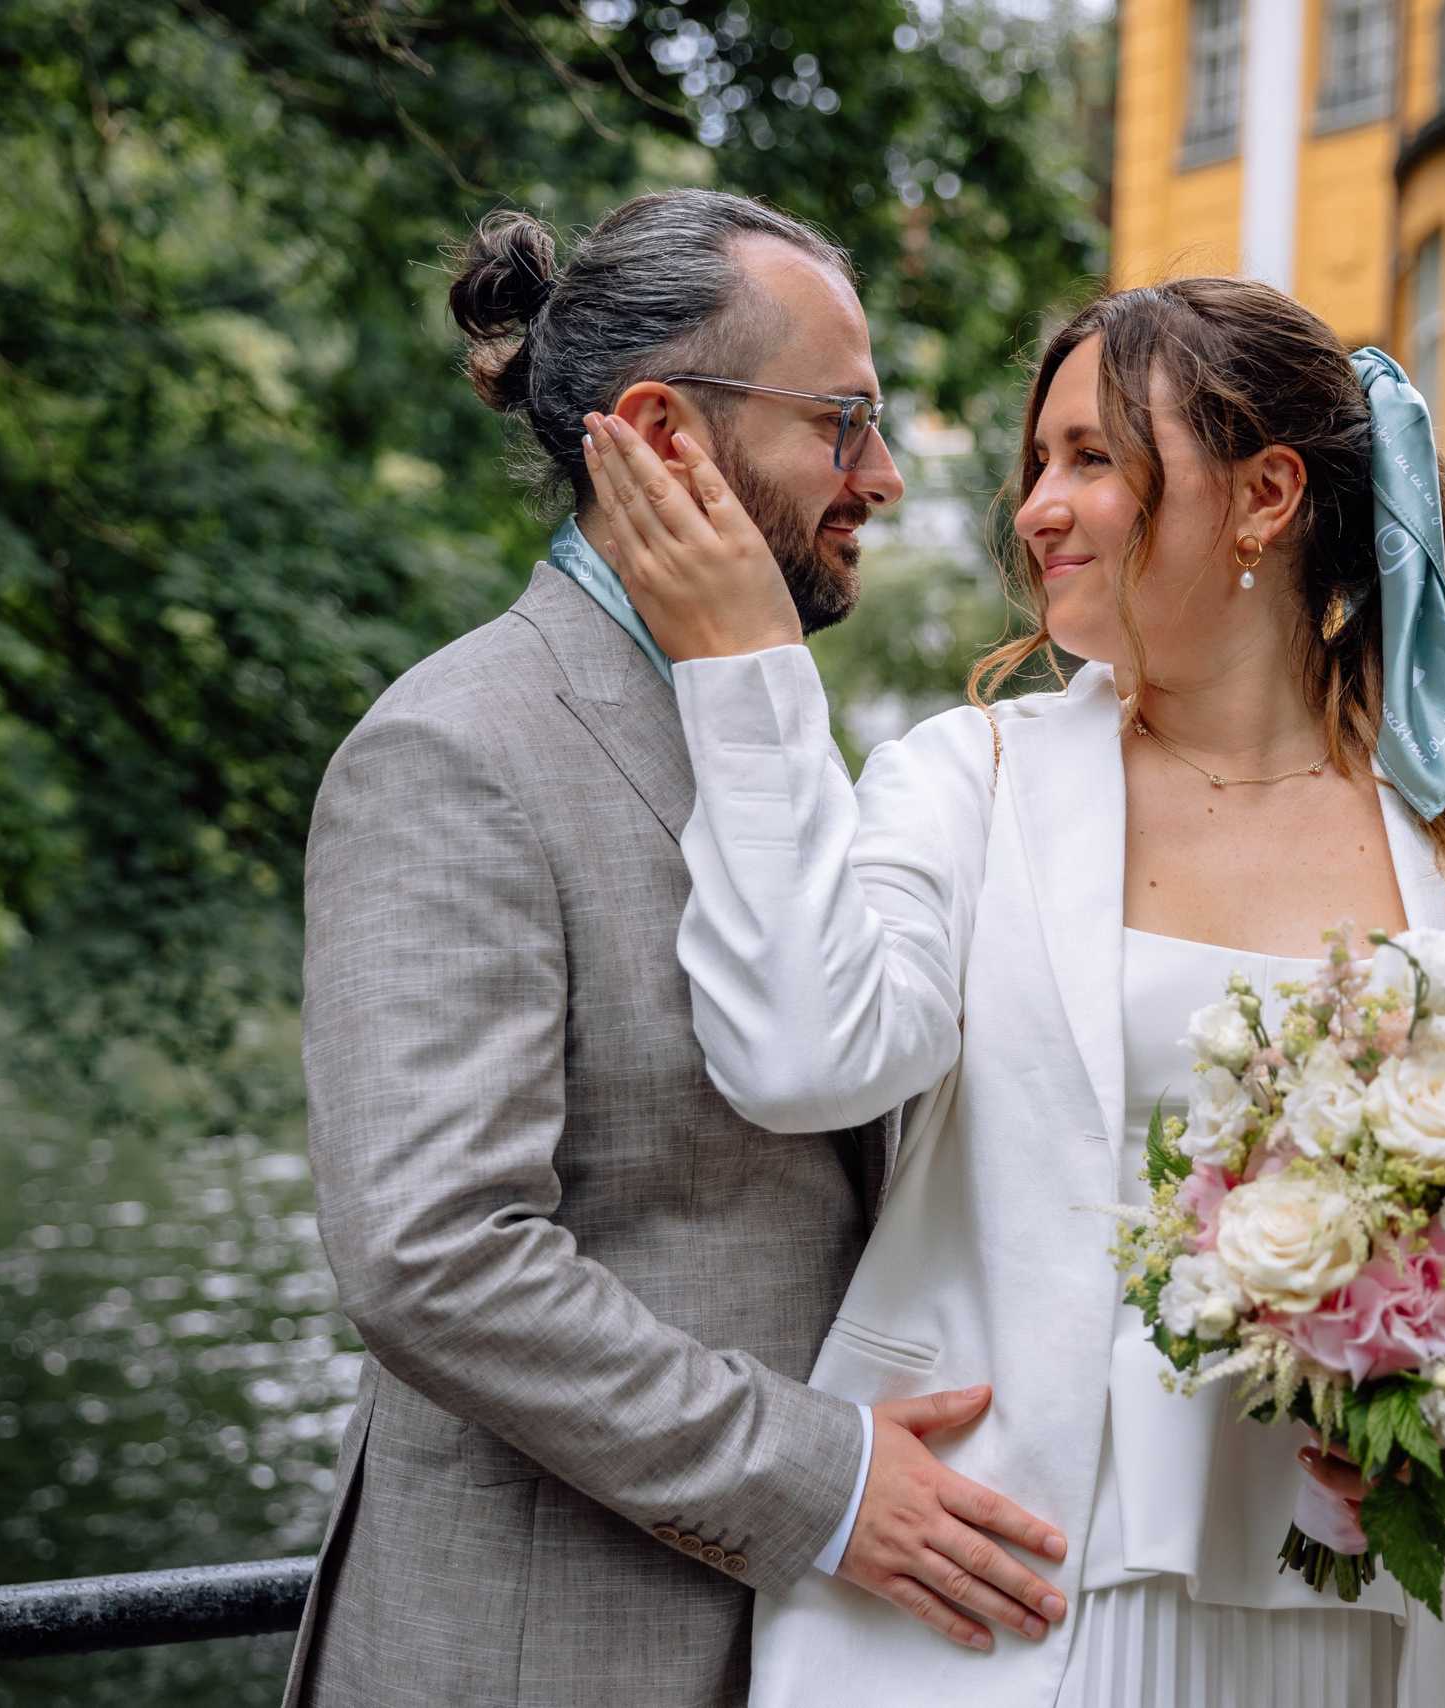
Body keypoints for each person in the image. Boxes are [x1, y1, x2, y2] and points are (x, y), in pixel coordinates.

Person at [581, 275, 1445, 1706]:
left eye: (1092, 459)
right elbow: (799, 1058)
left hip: (1357, 1616)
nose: (1036, 508)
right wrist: (749, 675)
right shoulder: (971, 782)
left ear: (1265, 495)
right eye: (1038, 465)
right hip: (1002, 1591)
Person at [283, 189, 1071, 1708]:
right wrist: (824, 1483)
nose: (888, 480)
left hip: (832, 1650)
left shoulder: (777, 725)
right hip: (551, 1649)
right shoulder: (452, 748)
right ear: (662, 432)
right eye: (841, 425)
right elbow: (432, 1257)